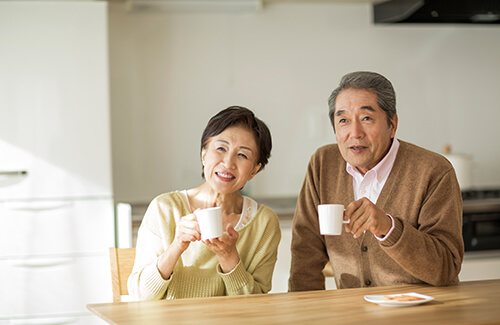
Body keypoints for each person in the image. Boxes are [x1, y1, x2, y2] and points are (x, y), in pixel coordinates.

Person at [289, 71, 464, 290]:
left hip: (420, 313)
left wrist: (388, 227)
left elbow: (446, 268)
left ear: (392, 124)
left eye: (366, 119)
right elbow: (305, 254)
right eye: (343, 120)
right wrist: (305, 312)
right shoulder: (323, 163)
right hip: (353, 314)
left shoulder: (434, 171)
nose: (355, 132)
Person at [129, 106, 281, 300]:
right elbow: (139, 296)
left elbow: (257, 305)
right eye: (221, 148)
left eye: (242, 155)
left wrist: (229, 258)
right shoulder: (165, 209)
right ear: (204, 154)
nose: (228, 163)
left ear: (254, 170)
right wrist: (176, 246)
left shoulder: (264, 223)